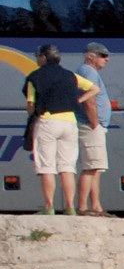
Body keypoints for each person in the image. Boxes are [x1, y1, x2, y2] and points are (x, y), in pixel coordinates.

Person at [21, 45, 101, 216]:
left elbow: (30, 105)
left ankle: (49, 206)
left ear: (43, 58)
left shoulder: (34, 77)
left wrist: (32, 115)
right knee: (67, 166)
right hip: (69, 123)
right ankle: (70, 207)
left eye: (38, 56)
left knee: (47, 166)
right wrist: (78, 100)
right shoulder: (70, 75)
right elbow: (95, 89)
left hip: (48, 121)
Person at [74, 43, 112, 215]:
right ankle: (82, 207)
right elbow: (89, 100)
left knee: (96, 167)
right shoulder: (88, 71)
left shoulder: (89, 72)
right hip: (90, 126)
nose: (107, 59)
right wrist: (95, 123)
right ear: (90, 56)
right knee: (90, 167)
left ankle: (96, 206)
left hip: (94, 126)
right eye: (102, 55)